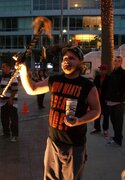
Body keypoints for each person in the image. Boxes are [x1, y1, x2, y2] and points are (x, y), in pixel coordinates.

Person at [16, 46, 101, 180]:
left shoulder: (87, 86)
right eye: (65, 58)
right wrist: (23, 70)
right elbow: (32, 89)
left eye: (71, 58)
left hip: (74, 145)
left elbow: (96, 111)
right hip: (53, 142)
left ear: (80, 62)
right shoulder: (54, 80)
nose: (67, 60)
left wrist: (79, 120)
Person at [106, 55, 125, 147]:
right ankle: (118, 136)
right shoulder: (113, 72)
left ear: (121, 62)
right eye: (115, 60)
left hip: (118, 101)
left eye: (119, 60)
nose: (116, 62)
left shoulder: (124, 73)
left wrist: (118, 94)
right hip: (111, 101)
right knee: (113, 120)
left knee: (118, 121)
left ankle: (118, 139)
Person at [0, 61, 19, 142]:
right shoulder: (2, 76)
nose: (2, 68)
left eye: (4, 66)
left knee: (13, 119)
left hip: (11, 102)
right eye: (2, 67)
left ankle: (14, 135)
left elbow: (15, 89)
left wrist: (11, 98)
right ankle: (6, 132)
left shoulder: (12, 77)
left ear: (8, 67)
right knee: (4, 118)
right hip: (3, 101)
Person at [90, 64, 109, 137]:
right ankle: (97, 128)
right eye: (100, 69)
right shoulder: (97, 77)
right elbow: (94, 86)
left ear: (105, 70)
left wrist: (107, 98)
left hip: (105, 100)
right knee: (97, 114)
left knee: (106, 115)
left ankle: (105, 129)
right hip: (98, 99)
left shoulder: (108, 78)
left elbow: (109, 89)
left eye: (102, 70)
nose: (101, 71)